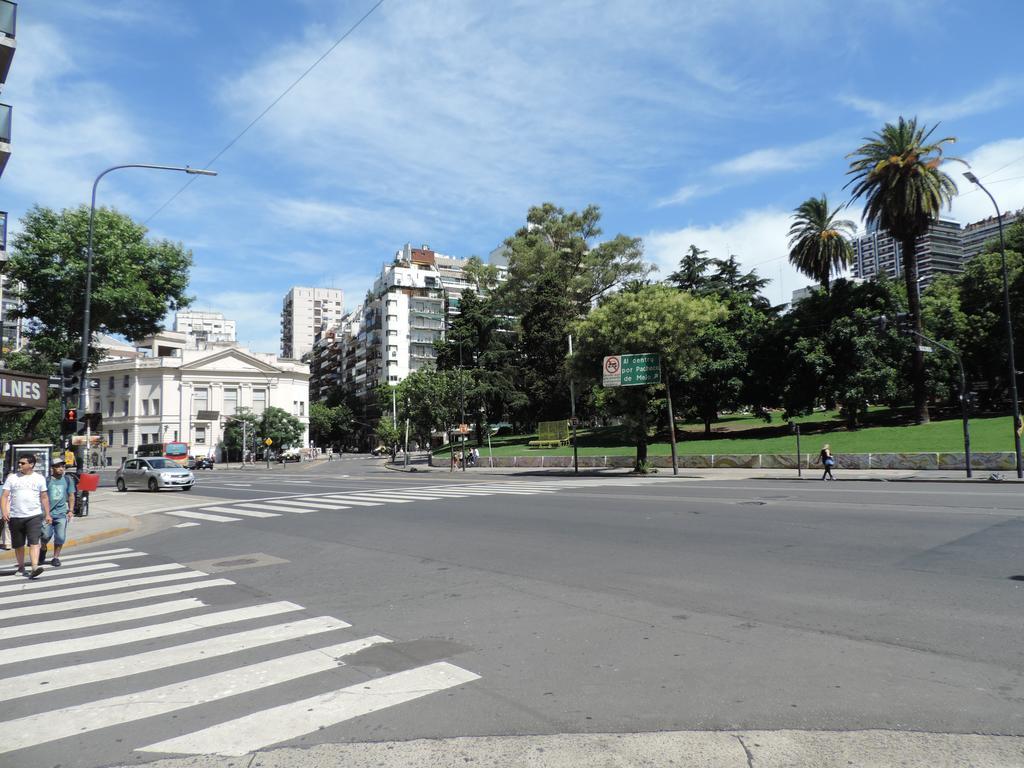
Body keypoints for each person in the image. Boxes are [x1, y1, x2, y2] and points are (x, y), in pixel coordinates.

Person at [1, 454, 51, 578]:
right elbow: (5, 496)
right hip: (16, 515)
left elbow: (44, 497)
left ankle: (34, 566)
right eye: (19, 462)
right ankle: (21, 567)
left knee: (34, 542)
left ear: (31, 464)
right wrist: (4, 511)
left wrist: (48, 514)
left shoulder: (39, 478)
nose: (20, 465)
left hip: (34, 515)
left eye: (23, 463)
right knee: (18, 544)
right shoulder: (12, 478)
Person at [40, 458, 75, 567]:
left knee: (60, 537)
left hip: (61, 514)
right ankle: (43, 548)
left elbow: (71, 496)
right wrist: (45, 513)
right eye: (58, 466)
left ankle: (55, 558)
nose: (61, 468)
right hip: (47, 514)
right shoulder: (47, 481)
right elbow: (42, 496)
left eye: (62, 466)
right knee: (45, 536)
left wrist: (70, 510)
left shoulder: (68, 480)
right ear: (52, 468)